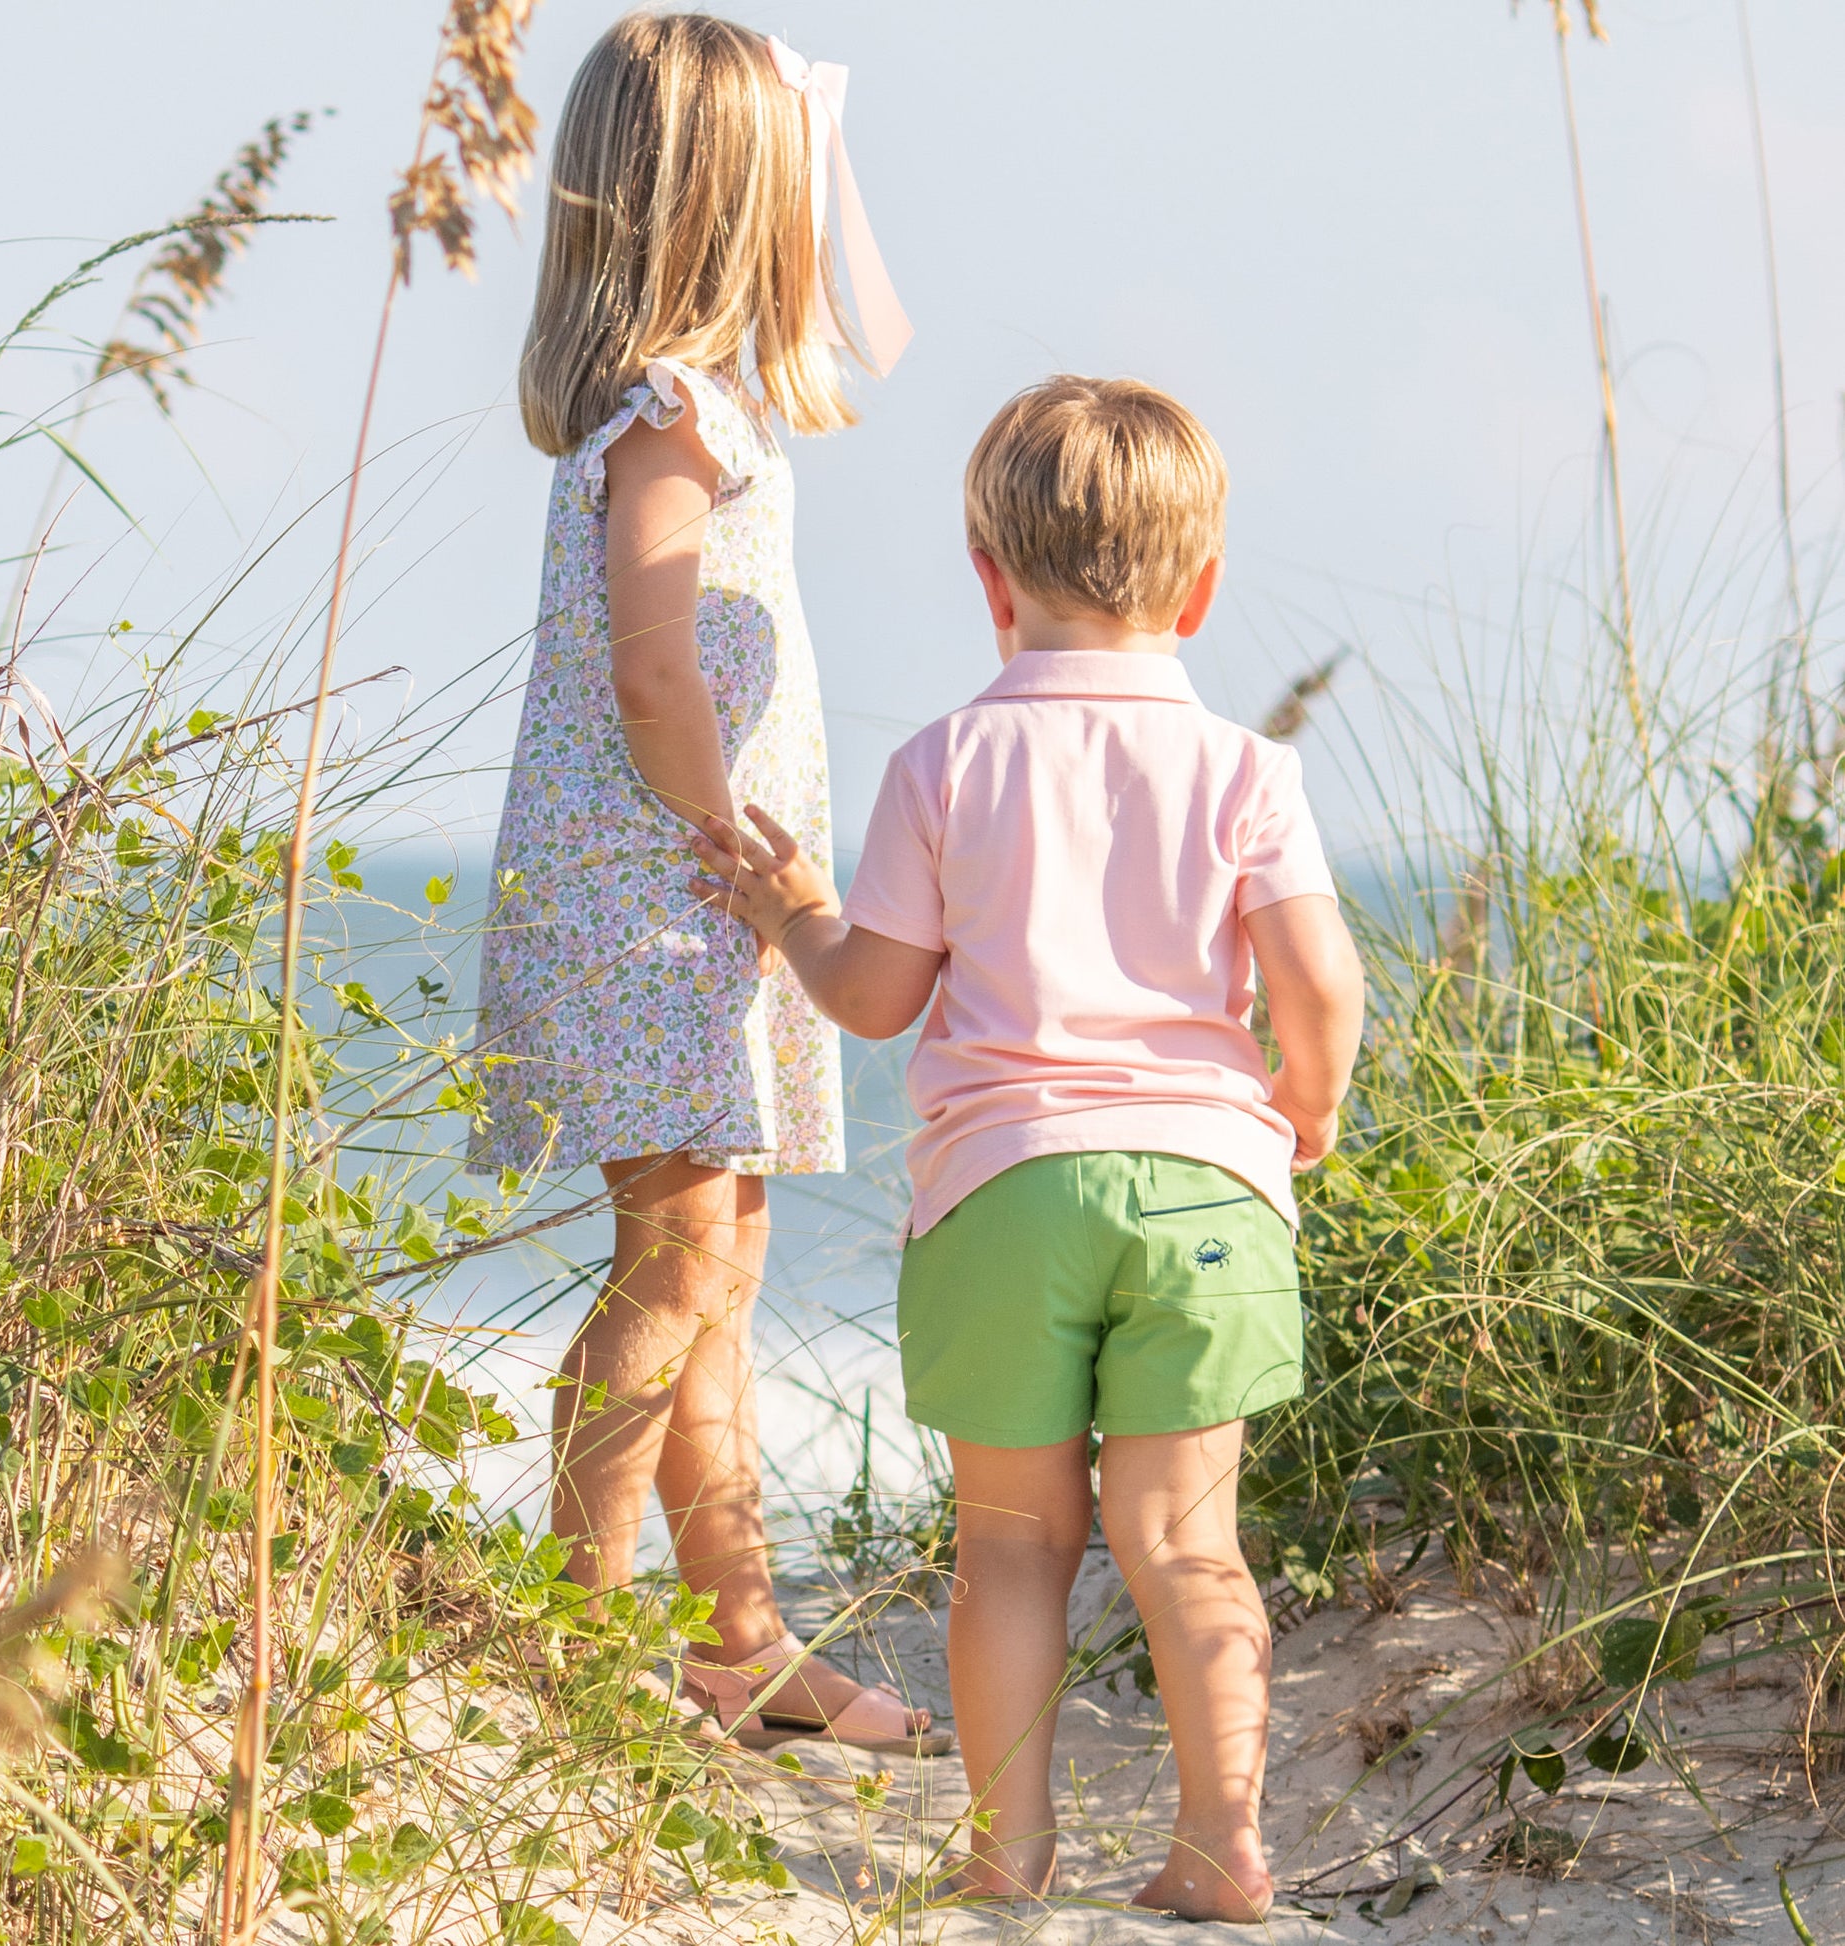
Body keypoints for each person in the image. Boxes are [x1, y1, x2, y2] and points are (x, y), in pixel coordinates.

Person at [691, 374, 1366, 1919]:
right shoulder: (1248, 773)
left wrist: (789, 908)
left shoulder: (945, 762)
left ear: (988, 582)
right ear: (1200, 587)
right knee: (1187, 1537)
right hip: (1205, 1183)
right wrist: (1306, 1099)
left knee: (1008, 1546)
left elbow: (870, 997)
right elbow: (1320, 983)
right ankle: (1221, 1843)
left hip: (1001, 1190)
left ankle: (1008, 1851)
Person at [473, 10, 944, 1758]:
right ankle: (580, 1638)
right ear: (730, 207)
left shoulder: (702, 405)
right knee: (670, 1272)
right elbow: (655, 666)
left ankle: (738, 1636)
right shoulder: (670, 417)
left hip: (694, 909)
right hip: (660, 902)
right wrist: (733, 835)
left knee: (724, 1266)